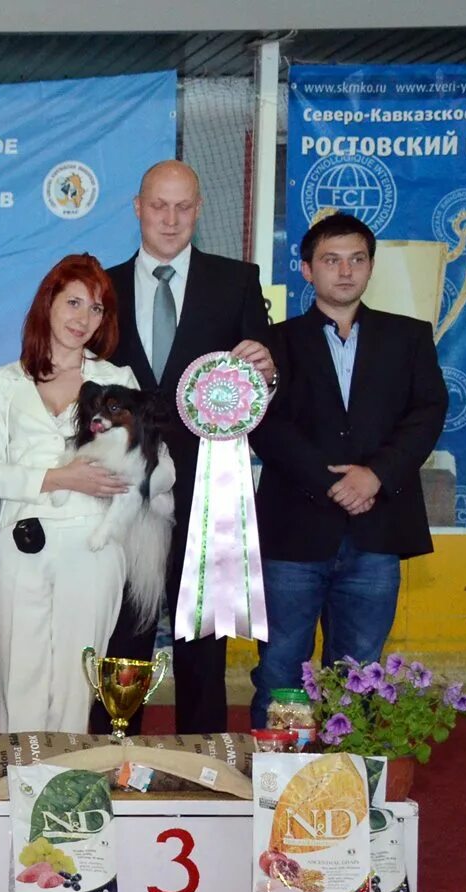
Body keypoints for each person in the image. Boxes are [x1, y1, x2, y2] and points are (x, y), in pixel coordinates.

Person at [96, 160, 279, 734]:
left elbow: (264, 376)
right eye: (158, 205)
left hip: (208, 488)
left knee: (203, 637)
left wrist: (268, 369)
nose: (170, 219)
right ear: (137, 207)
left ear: (199, 209)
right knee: (121, 630)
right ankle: (111, 753)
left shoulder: (238, 281)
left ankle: (204, 764)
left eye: (183, 206)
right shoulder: (100, 288)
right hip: (121, 491)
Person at [249, 213, 446, 727]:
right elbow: (263, 424)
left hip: (377, 530)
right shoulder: (273, 343)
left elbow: (427, 413)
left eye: (357, 260)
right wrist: (334, 482)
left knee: (361, 670)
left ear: (371, 267)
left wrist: (375, 476)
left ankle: (353, 788)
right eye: (331, 260)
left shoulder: (409, 337)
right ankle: (276, 787)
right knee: (280, 669)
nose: (345, 271)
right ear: (307, 270)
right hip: (293, 531)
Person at [0, 254, 168, 733]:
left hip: (92, 546)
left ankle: (68, 792)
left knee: (77, 686)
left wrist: (126, 480)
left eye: (96, 309)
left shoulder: (119, 380)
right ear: (48, 303)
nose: (83, 318)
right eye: (74, 302)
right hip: (20, 545)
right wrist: (59, 478)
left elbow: (161, 473)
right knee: (20, 680)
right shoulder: (5, 381)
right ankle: (18, 788)